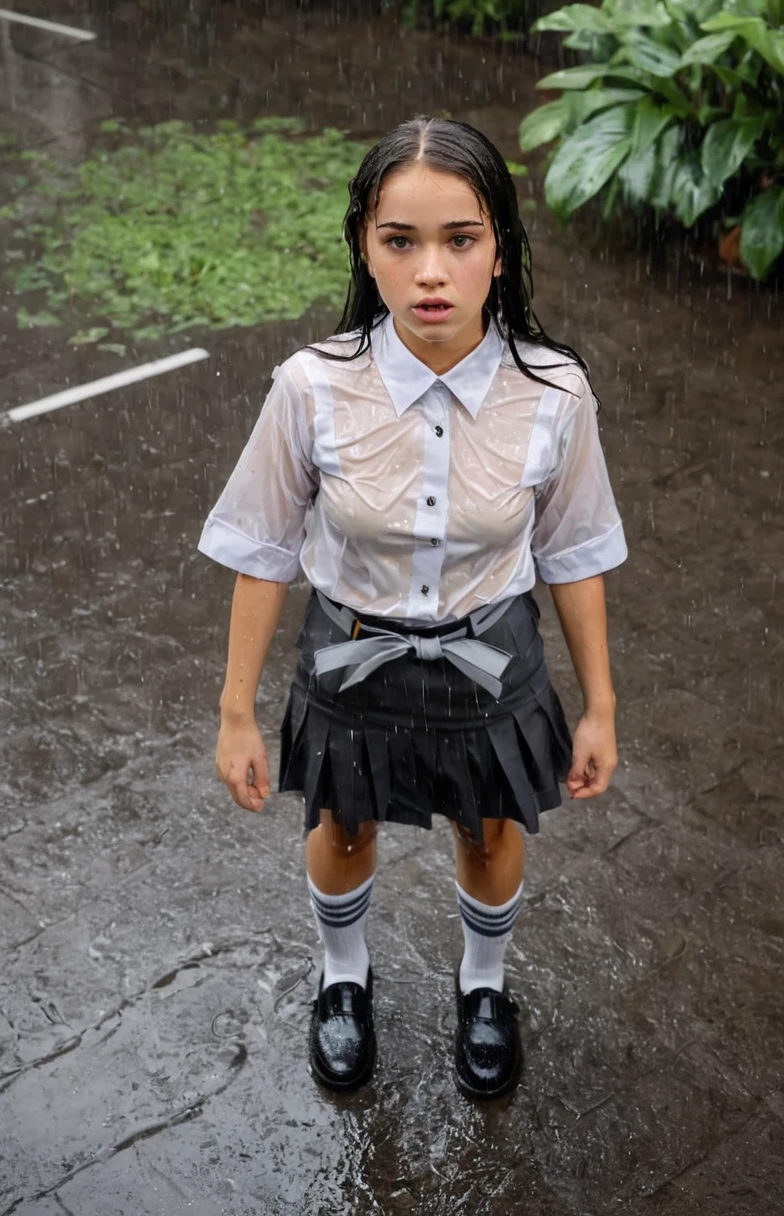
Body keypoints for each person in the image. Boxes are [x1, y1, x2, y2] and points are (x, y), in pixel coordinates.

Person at [198, 115, 627, 1100]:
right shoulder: (310, 389)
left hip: (493, 658)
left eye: (459, 239)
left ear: (500, 252)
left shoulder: (554, 393)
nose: (430, 270)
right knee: (343, 825)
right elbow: (262, 552)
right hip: (350, 653)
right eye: (401, 240)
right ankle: (342, 977)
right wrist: (234, 713)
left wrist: (598, 703)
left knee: (488, 828)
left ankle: (484, 987)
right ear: (365, 245)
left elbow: (574, 549)